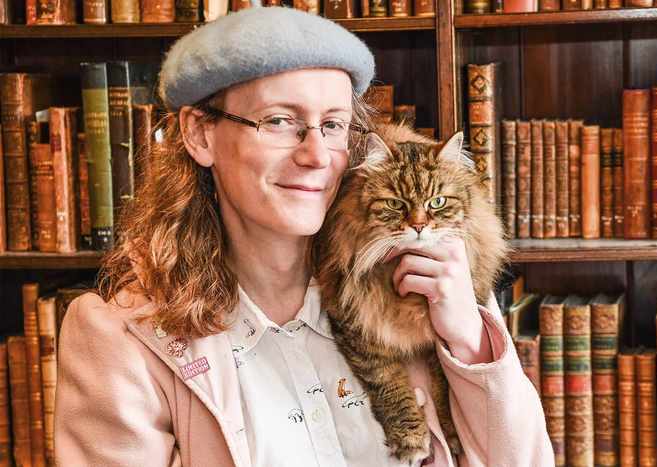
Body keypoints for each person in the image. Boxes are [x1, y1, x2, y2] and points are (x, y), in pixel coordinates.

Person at [54, 5, 555, 467]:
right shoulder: (119, 340)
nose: (316, 155)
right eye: (279, 121)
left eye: (333, 125)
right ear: (200, 134)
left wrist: (467, 338)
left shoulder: (424, 286)